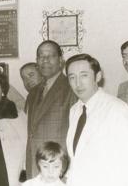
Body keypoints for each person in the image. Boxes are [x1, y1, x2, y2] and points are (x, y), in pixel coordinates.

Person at [65, 54, 128, 186]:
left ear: (98, 76)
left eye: (84, 75)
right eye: (72, 77)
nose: (78, 83)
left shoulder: (116, 109)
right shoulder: (74, 110)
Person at [25, 40, 76, 178]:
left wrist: (68, 171)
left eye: (51, 56)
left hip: (58, 168)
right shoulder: (33, 92)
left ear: (60, 60)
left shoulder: (71, 88)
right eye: (41, 56)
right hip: (35, 166)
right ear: (37, 61)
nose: (45, 60)